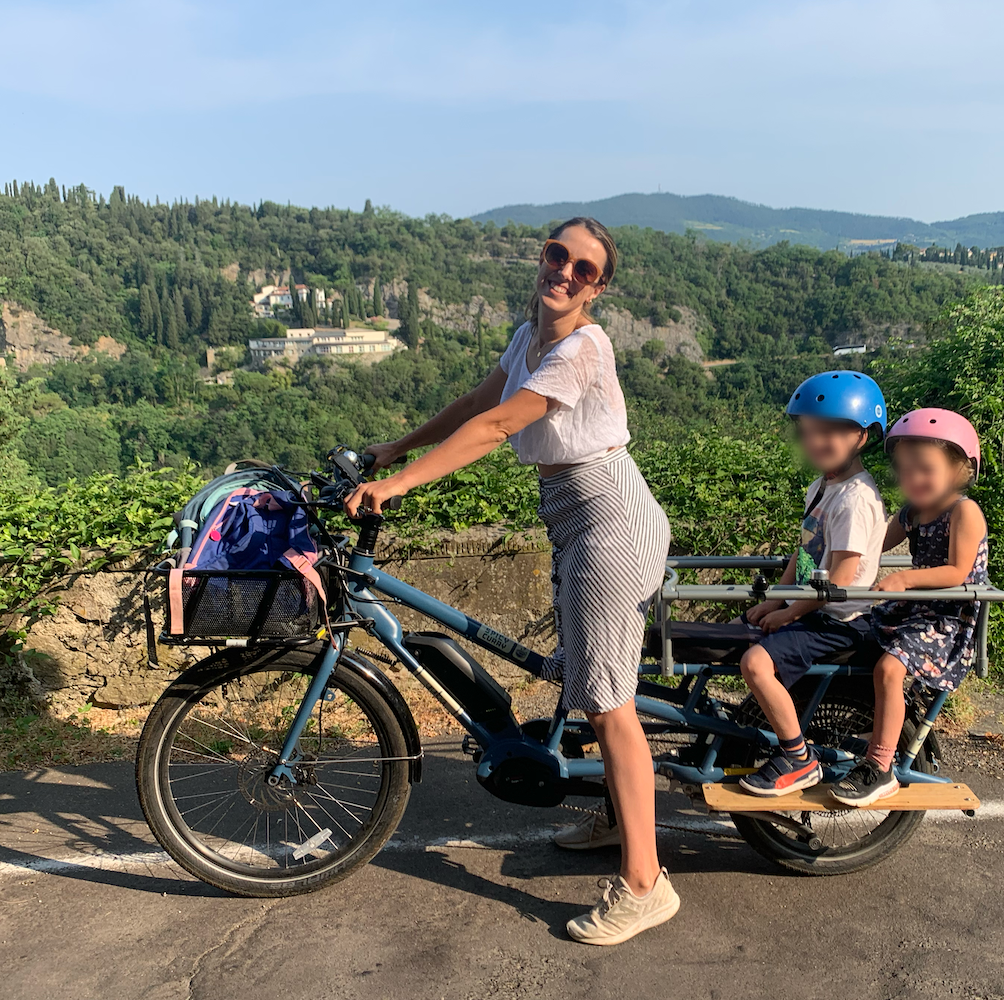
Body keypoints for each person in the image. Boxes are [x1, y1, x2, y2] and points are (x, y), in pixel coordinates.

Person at [346, 217, 678, 946]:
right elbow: (477, 402)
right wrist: (395, 447)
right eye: (557, 255)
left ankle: (646, 885)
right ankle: (621, 820)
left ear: (598, 288)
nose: (564, 272)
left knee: (607, 703)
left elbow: (500, 427)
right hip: (576, 515)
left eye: (583, 269)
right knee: (589, 684)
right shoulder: (531, 336)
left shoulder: (583, 347)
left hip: (609, 518)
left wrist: (400, 484)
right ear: (542, 256)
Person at [735, 371, 889, 795]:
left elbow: (839, 579)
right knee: (740, 637)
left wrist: (789, 613)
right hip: (814, 608)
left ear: (862, 437)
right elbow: (804, 554)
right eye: (808, 433)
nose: (816, 443)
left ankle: (797, 758)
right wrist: (776, 601)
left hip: (841, 618)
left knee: (755, 664)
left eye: (829, 433)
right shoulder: (821, 487)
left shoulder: (856, 498)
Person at [829, 408, 990, 807]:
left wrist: (905, 578)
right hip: (914, 611)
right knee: (850, 635)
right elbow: (870, 542)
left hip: (945, 619)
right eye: (903, 471)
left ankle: (880, 767)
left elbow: (957, 571)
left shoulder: (963, 511)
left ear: (960, 470)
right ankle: (861, 720)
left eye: (925, 469)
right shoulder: (911, 512)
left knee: (889, 667)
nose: (911, 480)